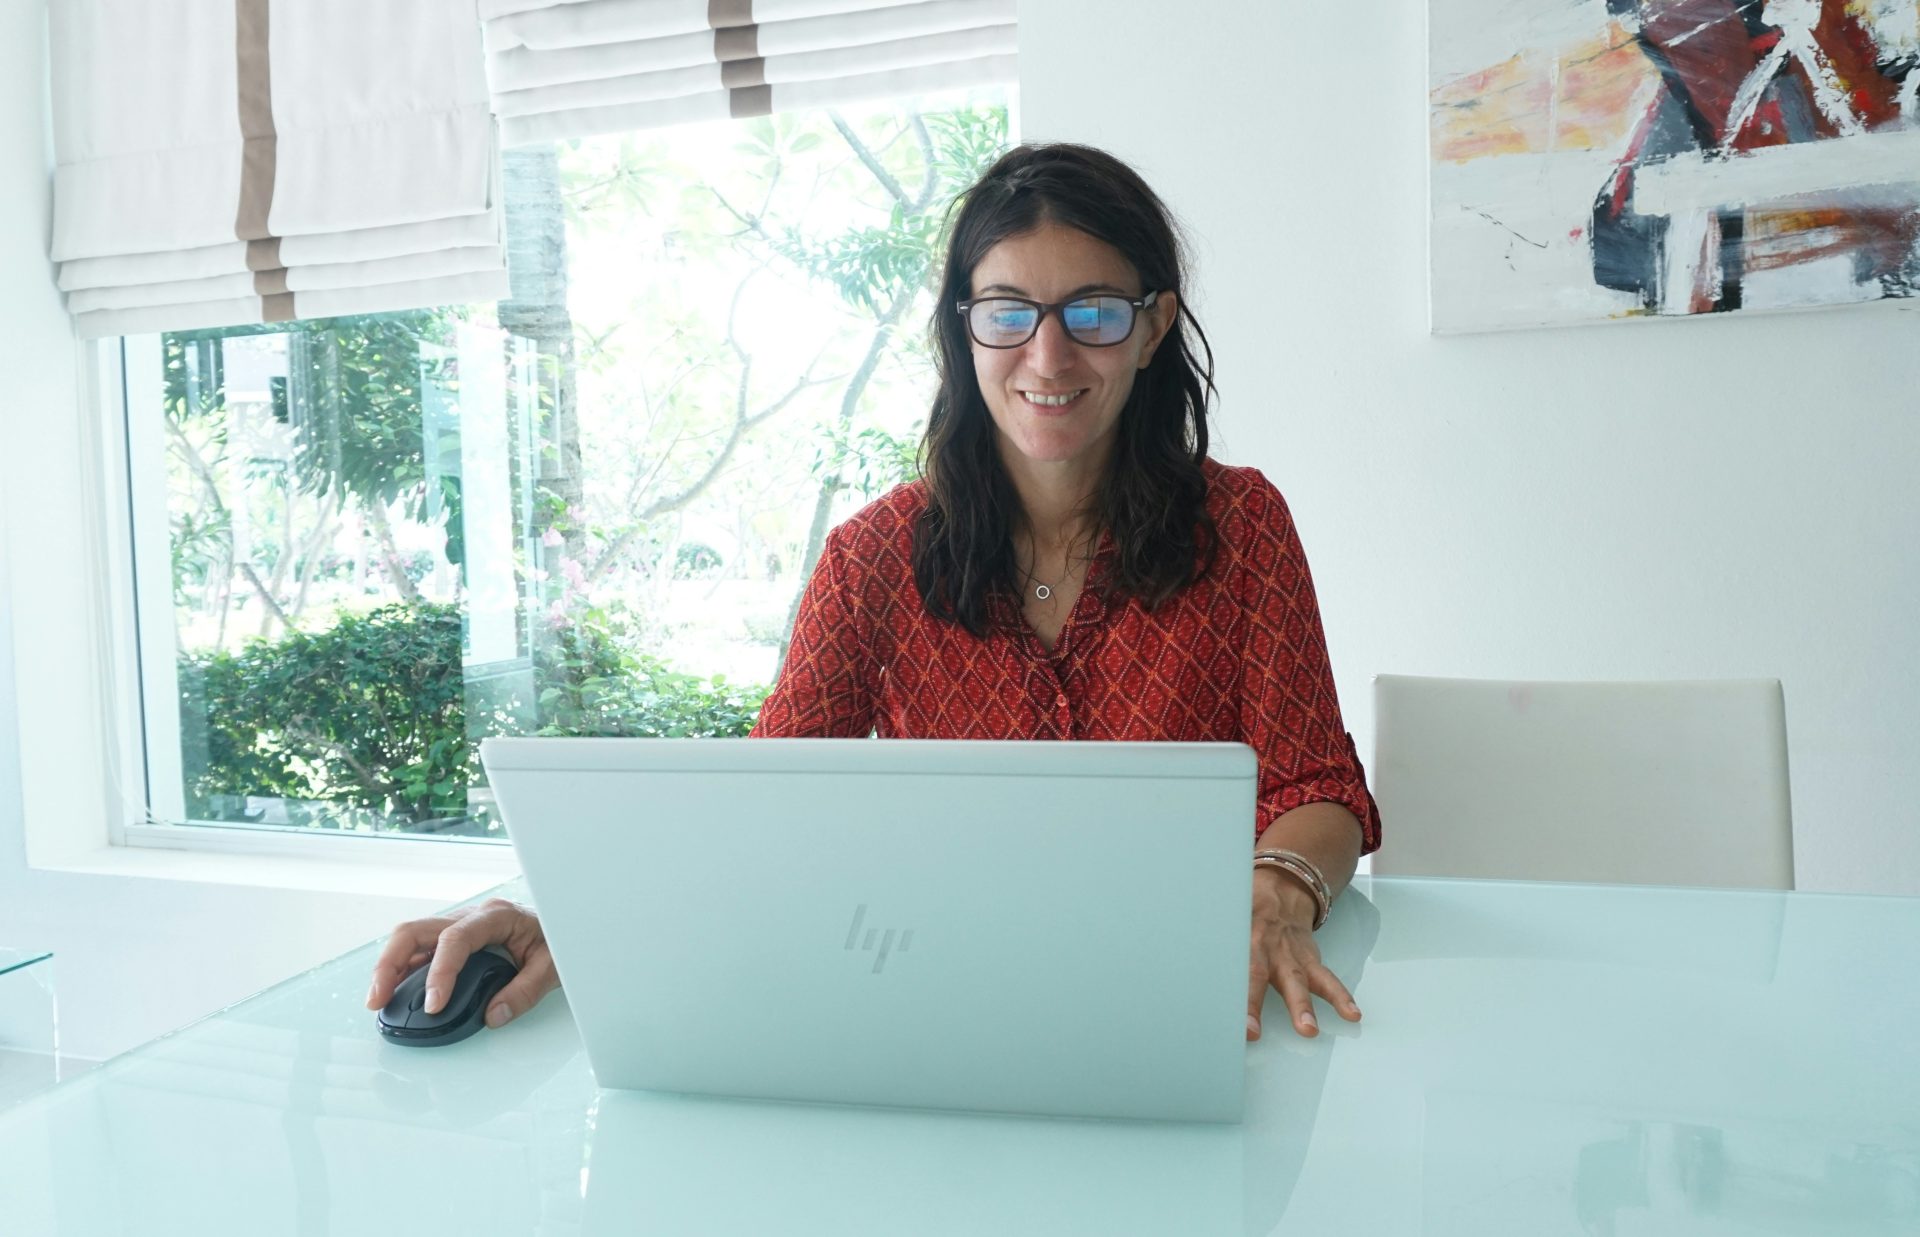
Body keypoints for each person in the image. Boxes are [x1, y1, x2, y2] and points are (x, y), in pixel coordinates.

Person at [367, 141, 1382, 1046]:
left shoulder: (1241, 528)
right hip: (939, 1012)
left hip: (1186, 1010)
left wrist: (1278, 889)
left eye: (1096, 313)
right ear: (963, 328)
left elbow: (1317, 787)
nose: (1049, 355)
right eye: (1008, 314)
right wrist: (555, 914)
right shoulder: (874, 558)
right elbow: (770, 808)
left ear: (1154, 327)